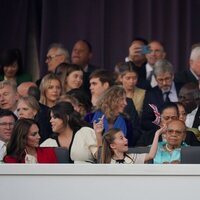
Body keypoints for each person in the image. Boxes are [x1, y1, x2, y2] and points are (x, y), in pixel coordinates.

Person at [141, 59, 182, 131]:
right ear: (155, 79)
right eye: (160, 80)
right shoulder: (151, 94)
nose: (164, 83)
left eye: (167, 78)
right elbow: (145, 121)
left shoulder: (182, 89)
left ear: (172, 76)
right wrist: (160, 128)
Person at [100, 127, 164, 164]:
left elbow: (151, 155)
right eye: (121, 138)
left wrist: (157, 134)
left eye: (124, 137)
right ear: (113, 145)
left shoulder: (132, 157)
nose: (126, 139)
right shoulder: (107, 163)